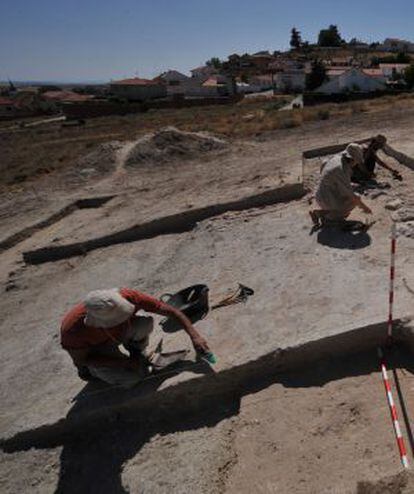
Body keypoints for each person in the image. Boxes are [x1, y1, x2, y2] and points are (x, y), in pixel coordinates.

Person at [60, 287, 210, 387]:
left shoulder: (129, 296)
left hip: (118, 336)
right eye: (115, 322)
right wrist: (124, 363)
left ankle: (136, 353)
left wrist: (195, 336)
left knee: (144, 324)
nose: (121, 321)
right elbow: (83, 360)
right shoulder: (73, 329)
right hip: (99, 349)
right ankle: (96, 373)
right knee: (132, 379)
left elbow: (170, 311)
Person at [310, 143, 372, 226]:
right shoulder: (341, 169)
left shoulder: (336, 158)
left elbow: (323, 165)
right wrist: (365, 207)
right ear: (353, 159)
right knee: (353, 201)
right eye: (357, 161)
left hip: (321, 193)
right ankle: (328, 217)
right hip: (326, 198)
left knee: (350, 195)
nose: (356, 164)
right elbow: (352, 196)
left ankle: (322, 212)